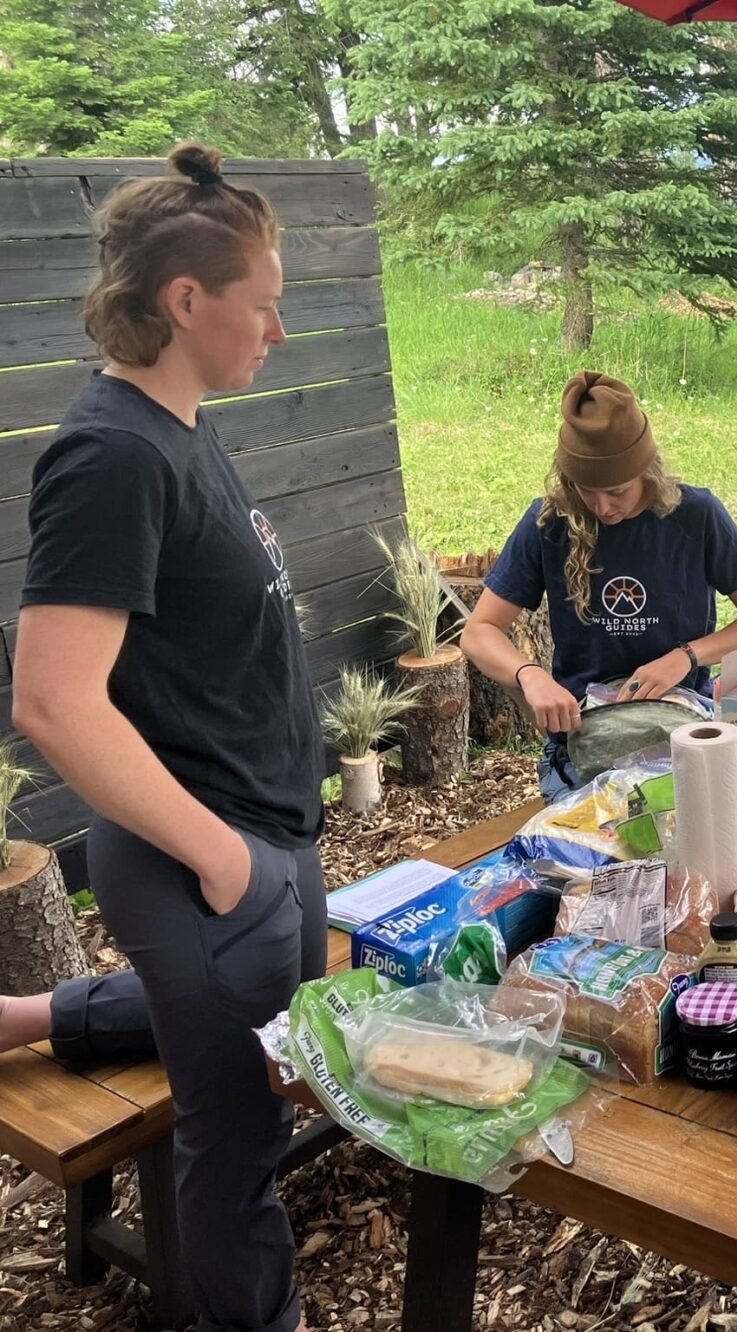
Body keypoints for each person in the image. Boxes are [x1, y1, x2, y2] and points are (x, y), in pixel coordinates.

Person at [7, 144, 325, 1332]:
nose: (280, 330)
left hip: (263, 827)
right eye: (266, 301)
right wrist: (224, 855)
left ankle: (42, 1020)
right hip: (206, 854)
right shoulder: (112, 455)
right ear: (187, 303)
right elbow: (53, 701)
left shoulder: (179, 427)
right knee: (235, 1143)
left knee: (284, 1044)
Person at [461, 371, 737, 800]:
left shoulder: (695, 516)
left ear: (646, 470)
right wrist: (530, 674)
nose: (602, 507)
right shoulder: (550, 522)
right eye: (585, 491)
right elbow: (478, 632)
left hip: (681, 733)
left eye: (616, 491)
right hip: (585, 741)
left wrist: (685, 657)